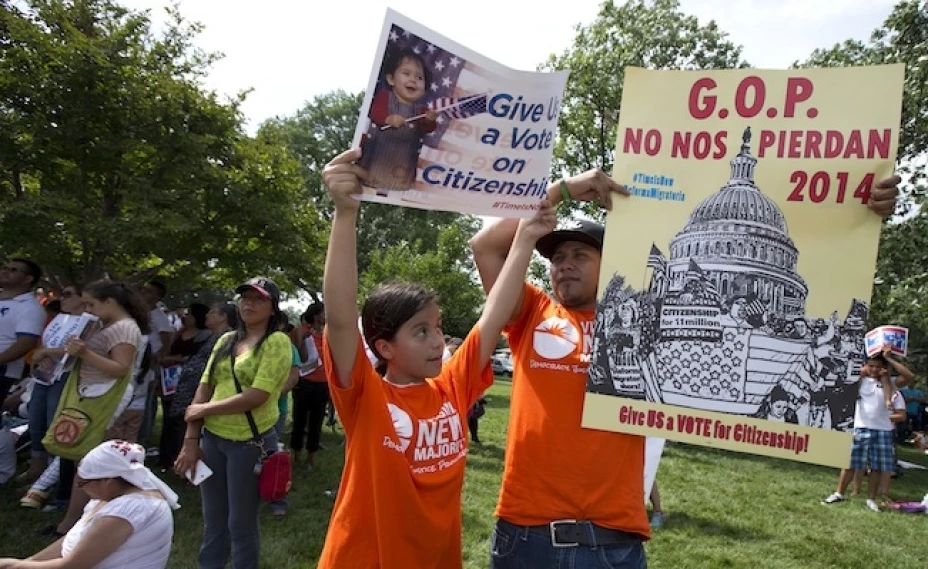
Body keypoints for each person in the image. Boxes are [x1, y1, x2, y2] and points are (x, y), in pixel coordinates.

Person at [470, 169, 903, 567]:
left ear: (614, 261)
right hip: (527, 530)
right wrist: (564, 190)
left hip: (613, 536)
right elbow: (486, 244)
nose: (563, 264)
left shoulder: (651, 318)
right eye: (557, 257)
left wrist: (858, 216)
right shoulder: (531, 313)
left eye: (580, 254)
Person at [317, 148, 554, 569]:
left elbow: (495, 310)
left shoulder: (451, 387)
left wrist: (527, 239)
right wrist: (345, 214)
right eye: (420, 331)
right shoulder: (366, 399)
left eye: (438, 326)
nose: (436, 341)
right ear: (384, 348)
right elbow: (338, 318)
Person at [173, 277, 291, 569]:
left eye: (259, 299)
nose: (249, 303)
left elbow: (257, 395)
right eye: (245, 297)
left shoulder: (277, 342)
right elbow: (205, 384)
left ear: (273, 307)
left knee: (241, 523)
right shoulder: (226, 340)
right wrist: (191, 440)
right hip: (212, 440)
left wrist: (204, 408)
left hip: (250, 444)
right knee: (213, 520)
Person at [48, 280, 149, 536]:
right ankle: (79, 519)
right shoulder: (108, 325)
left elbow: (121, 368)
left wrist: (85, 354)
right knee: (84, 461)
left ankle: (75, 523)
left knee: (89, 463)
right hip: (89, 395)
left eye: (91, 304)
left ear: (109, 302)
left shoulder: (125, 328)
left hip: (101, 399)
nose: (88, 309)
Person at [0, 439, 178, 569]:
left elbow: (73, 565)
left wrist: (17, 566)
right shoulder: (110, 497)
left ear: (108, 480)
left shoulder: (129, 510)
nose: (81, 489)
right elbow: (73, 541)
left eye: (83, 483)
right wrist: (30, 561)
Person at [17, 284, 87, 487]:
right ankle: (36, 466)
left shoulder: (90, 322)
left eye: (67, 295)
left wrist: (48, 353)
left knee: (53, 421)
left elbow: (81, 348)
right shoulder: (61, 318)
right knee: (36, 416)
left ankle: (53, 474)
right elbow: (46, 343)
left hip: (66, 376)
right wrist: (42, 356)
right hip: (44, 375)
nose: (61, 299)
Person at [359, 47, 437, 191]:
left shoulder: (421, 110)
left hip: (404, 163)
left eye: (419, 77)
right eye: (406, 73)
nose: (413, 80)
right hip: (378, 159)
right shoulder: (385, 97)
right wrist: (388, 119)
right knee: (370, 184)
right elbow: (375, 112)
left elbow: (428, 127)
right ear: (391, 79)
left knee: (398, 190)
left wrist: (431, 120)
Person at [0, 259, 46, 400]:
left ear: (28, 278)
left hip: (3, 370)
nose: (5, 271)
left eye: (13, 270)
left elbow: (26, 343)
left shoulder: (30, 308)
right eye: (5, 267)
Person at [290, 302, 328, 469]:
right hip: (304, 382)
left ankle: (311, 457)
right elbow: (301, 358)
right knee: (299, 419)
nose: (326, 315)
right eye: (324, 312)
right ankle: (296, 455)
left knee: (317, 421)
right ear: (316, 314)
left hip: (323, 383)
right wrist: (303, 341)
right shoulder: (302, 332)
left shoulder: (329, 333)